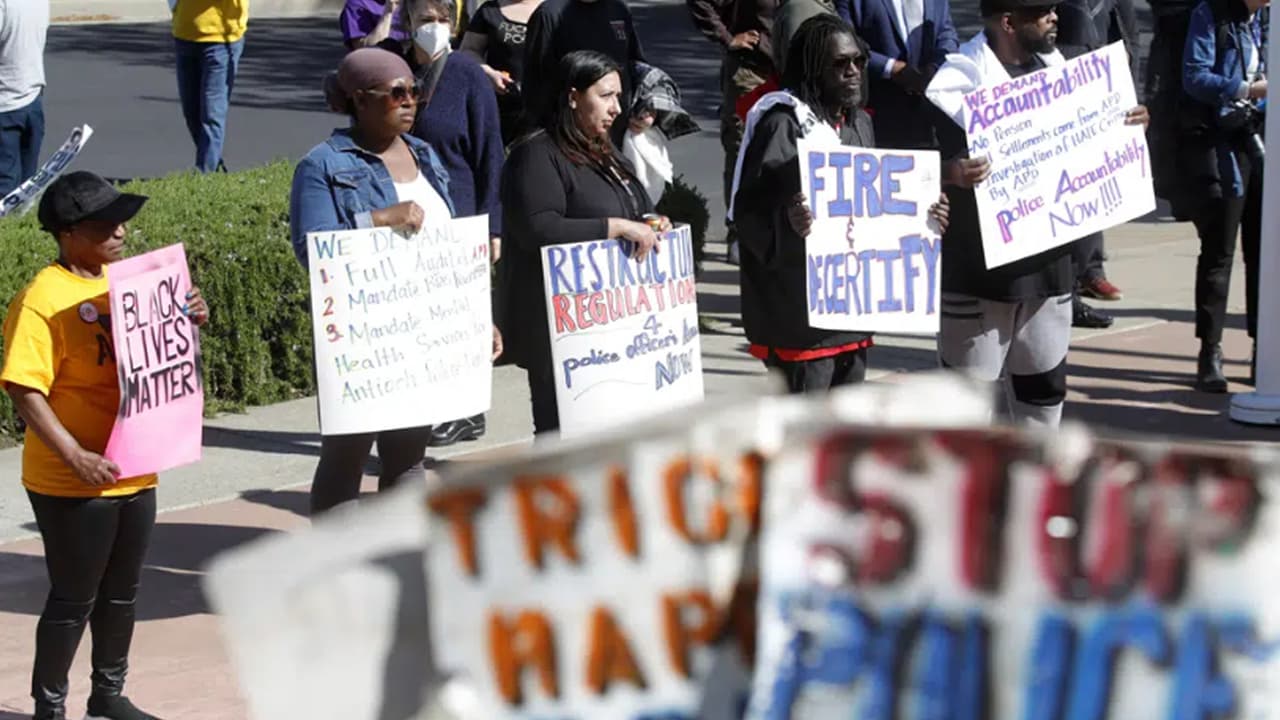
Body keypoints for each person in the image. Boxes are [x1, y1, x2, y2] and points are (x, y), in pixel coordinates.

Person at [3, 171, 210, 720]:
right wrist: (75, 455)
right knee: (75, 597)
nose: (120, 230)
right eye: (103, 223)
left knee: (122, 593)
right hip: (73, 480)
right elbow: (24, 389)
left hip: (136, 468)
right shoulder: (41, 300)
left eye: (122, 219)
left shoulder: (131, 280)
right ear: (68, 233)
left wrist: (190, 318)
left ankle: (108, 694)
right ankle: (50, 707)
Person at [925, 0, 1150, 426]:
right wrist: (949, 174)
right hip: (978, 285)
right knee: (962, 417)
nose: (1054, 17)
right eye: (1041, 11)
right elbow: (904, 168)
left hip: (1051, 279)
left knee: (1043, 402)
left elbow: (1098, 148)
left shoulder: (1068, 78)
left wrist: (1131, 126)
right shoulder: (952, 88)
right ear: (1008, 22)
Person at [289, 49, 473, 513]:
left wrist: (475, 315)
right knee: (346, 455)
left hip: (421, 329)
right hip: (359, 335)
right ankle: (339, 572)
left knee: (409, 457)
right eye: (396, 93)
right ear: (360, 100)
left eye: (415, 91)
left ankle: (400, 562)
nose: (409, 101)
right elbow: (313, 249)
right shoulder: (322, 165)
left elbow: (449, 246)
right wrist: (375, 219)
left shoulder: (425, 154)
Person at [731, 14, 947, 393]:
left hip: (852, 316)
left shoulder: (859, 123)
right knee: (805, 436)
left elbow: (874, 210)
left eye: (858, 62)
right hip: (799, 321)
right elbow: (749, 215)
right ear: (813, 70)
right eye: (840, 64)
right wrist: (788, 221)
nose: (853, 72)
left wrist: (924, 215)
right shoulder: (783, 124)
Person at [500, 50, 666, 434]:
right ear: (573, 96)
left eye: (619, 97)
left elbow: (635, 207)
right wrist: (617, 227)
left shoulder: (605, 151)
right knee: (564, 442)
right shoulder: (537, 153)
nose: (616, 108)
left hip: (614, 327)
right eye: (605, 96)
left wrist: (650, 222)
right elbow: (538, 229)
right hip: (560, 335)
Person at [402, 0, 505, 446]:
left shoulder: (466, 74)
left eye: (444, 20)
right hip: (410, 216)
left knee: (461, 314)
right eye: (426, 20)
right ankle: (429, 407)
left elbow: (490, 152)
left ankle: (466, 411)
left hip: (461, 213)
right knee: (422, 317)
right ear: (408, 23)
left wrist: (493, 224)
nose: (436, 28)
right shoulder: (397, 71)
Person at [1178, 0, 1267, 391]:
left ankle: (1264, 349)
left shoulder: (1267, 17)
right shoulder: (1210, 13)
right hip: (1224, 146)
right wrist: (1246, 88)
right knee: (1220, 251)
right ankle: (1210, 352)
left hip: (1264, 139)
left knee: (1265, 255)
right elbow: (1193, 76)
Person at [1056, 0, 1140, 328]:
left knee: (1093, 184)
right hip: (1055, 96)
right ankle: (1067, 289)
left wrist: (1129, 96)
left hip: (1100, 96)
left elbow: (1128, 37)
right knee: (1061, 193)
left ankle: (1091, 271)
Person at [686, 0, 778, 266]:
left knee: (788, 152)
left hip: (792, 69)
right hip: (752, 71)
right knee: (743, 152)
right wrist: (727, 37)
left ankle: (779, 229)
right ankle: (739, 232)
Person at [521, 0, 646, 149]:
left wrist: (645, 107)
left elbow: (636, 64)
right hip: (569, 140)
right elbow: (535, 86)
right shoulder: (549, 14)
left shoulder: (618, 9)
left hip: (615, 134)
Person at [838, 0, 958, 150]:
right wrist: (891, 68)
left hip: (931, 116)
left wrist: (934, 67)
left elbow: (946, 33)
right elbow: (844, 41)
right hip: (879, 119)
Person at [171, 0, 248, 173]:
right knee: (192, 112)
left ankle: (204, 176)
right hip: (184, 34)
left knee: (211, 114)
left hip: (220, 41)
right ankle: (214, 165)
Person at [460, 0, 545, 144]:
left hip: (544, 113)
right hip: (498, 111)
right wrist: (489, 74)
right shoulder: (489, 10)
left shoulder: (556, 7)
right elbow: (468, 50)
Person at [0, 0, 49, 197]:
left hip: (5, 104)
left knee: (5, 186)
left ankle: (6, 228)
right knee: (27, 187)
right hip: (33, 98)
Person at [340, 0, 410, 51]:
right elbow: (362, 50)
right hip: (377, 66)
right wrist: (388, 13)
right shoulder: (357, 4)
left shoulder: (411, 3)